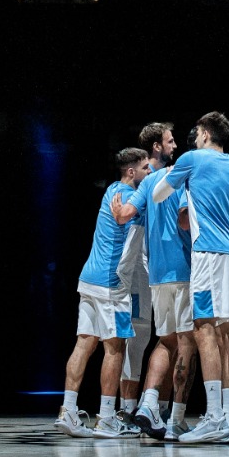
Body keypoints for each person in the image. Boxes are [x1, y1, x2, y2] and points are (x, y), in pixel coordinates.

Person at [152, 111, 229, 443]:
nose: (194, 137)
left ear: (207, 133)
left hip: (206, 253)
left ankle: (213, 418)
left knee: (204, 329)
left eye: (197, 132)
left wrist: (174, 176)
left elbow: (158, 195)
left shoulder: (192, 158)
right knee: (228, 337)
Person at [54, 147, 152, 438]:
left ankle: (68, 411)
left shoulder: (111, 189)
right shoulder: (133, 198)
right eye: (146, 168)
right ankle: (108, 417)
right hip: (112, 283)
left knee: (84, 343)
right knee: (115, 348)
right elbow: (128, 217)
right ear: (131, 172)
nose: (150, 173)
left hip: (89, 278)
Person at [111, 122, 197, 441]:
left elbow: (125, 215)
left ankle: (150, 407)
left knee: (165, 341)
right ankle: (172, 418)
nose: (175, 144)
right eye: (170, 140)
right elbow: (186, 221)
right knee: (184, 343)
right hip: (181, 271)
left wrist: (119, 211)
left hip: (157, 275)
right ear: (157, 146)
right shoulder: (180, 176)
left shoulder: (147, 183)